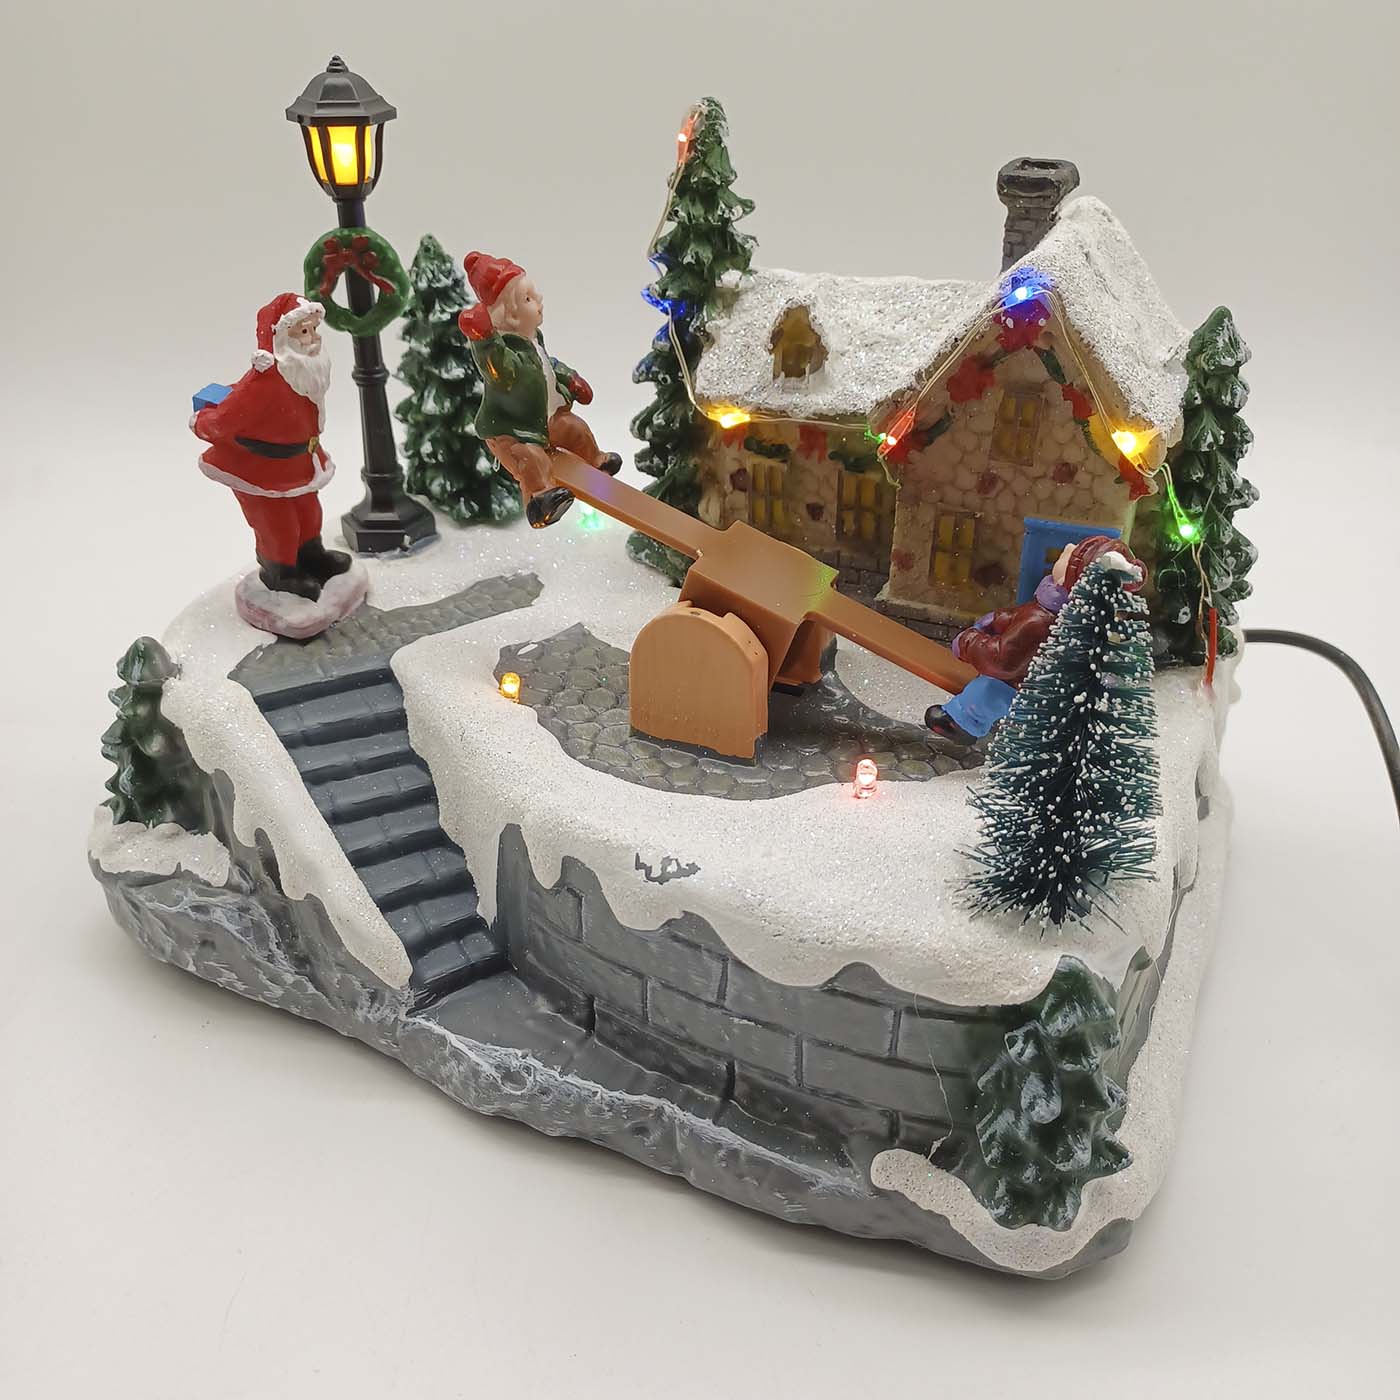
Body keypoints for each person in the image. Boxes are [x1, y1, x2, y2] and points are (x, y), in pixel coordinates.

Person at [191, 293, 349, 599]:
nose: (313, 338)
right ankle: (280, 570)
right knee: (278, 523)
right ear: (281, 338)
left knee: (309, 511)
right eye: (304, 331)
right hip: (263, 469)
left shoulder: (306, 373)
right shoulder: (265, 382)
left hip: (301, 462)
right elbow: (227, 418)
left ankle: (311, 555)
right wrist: (201, 423)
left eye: (314, 329)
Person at [926, 534, 1143, 747]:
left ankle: (962, 723)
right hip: (1048, 687)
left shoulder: (1042, 621)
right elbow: (1019, 620)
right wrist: (1001, 619)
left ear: (1068, 580)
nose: (1068, 546)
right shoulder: (1064, 615)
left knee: (987, 691)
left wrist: (968, 642)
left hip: (1023, 687)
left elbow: (1001, 660)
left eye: (1069, 556)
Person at [457, 252, 621, 527]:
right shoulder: (505, 352)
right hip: (511, 431)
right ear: (510, 315)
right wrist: (484, 340)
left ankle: (596, 461)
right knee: (532, 460)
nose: (539, 300)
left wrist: (570, 378)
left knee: (576, 429)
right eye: (528, 299)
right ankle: (540, 500)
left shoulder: (533, 339)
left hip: (544, 421)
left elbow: (548, 364)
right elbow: (498, 371)